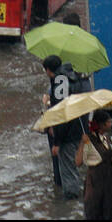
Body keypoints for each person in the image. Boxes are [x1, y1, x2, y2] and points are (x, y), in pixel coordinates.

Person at [42, 55, 82, 199]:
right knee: (72, 166)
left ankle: (71, 202)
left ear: (48, 70)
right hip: (77, 127)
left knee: (68, 169)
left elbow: (62, 115)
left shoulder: (60, 84)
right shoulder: (72, 77)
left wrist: (57, 143)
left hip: (67, 133)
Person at [76, 111, 112, 220]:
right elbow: (78, 162)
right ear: (102, 125)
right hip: (95, 182)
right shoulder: (88, 140)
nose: (111, 124)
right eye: (109, 122)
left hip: (109, 181)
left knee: (110, 213)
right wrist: (83, 144)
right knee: (95, 212)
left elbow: (111, 156)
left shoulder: (106, 138)